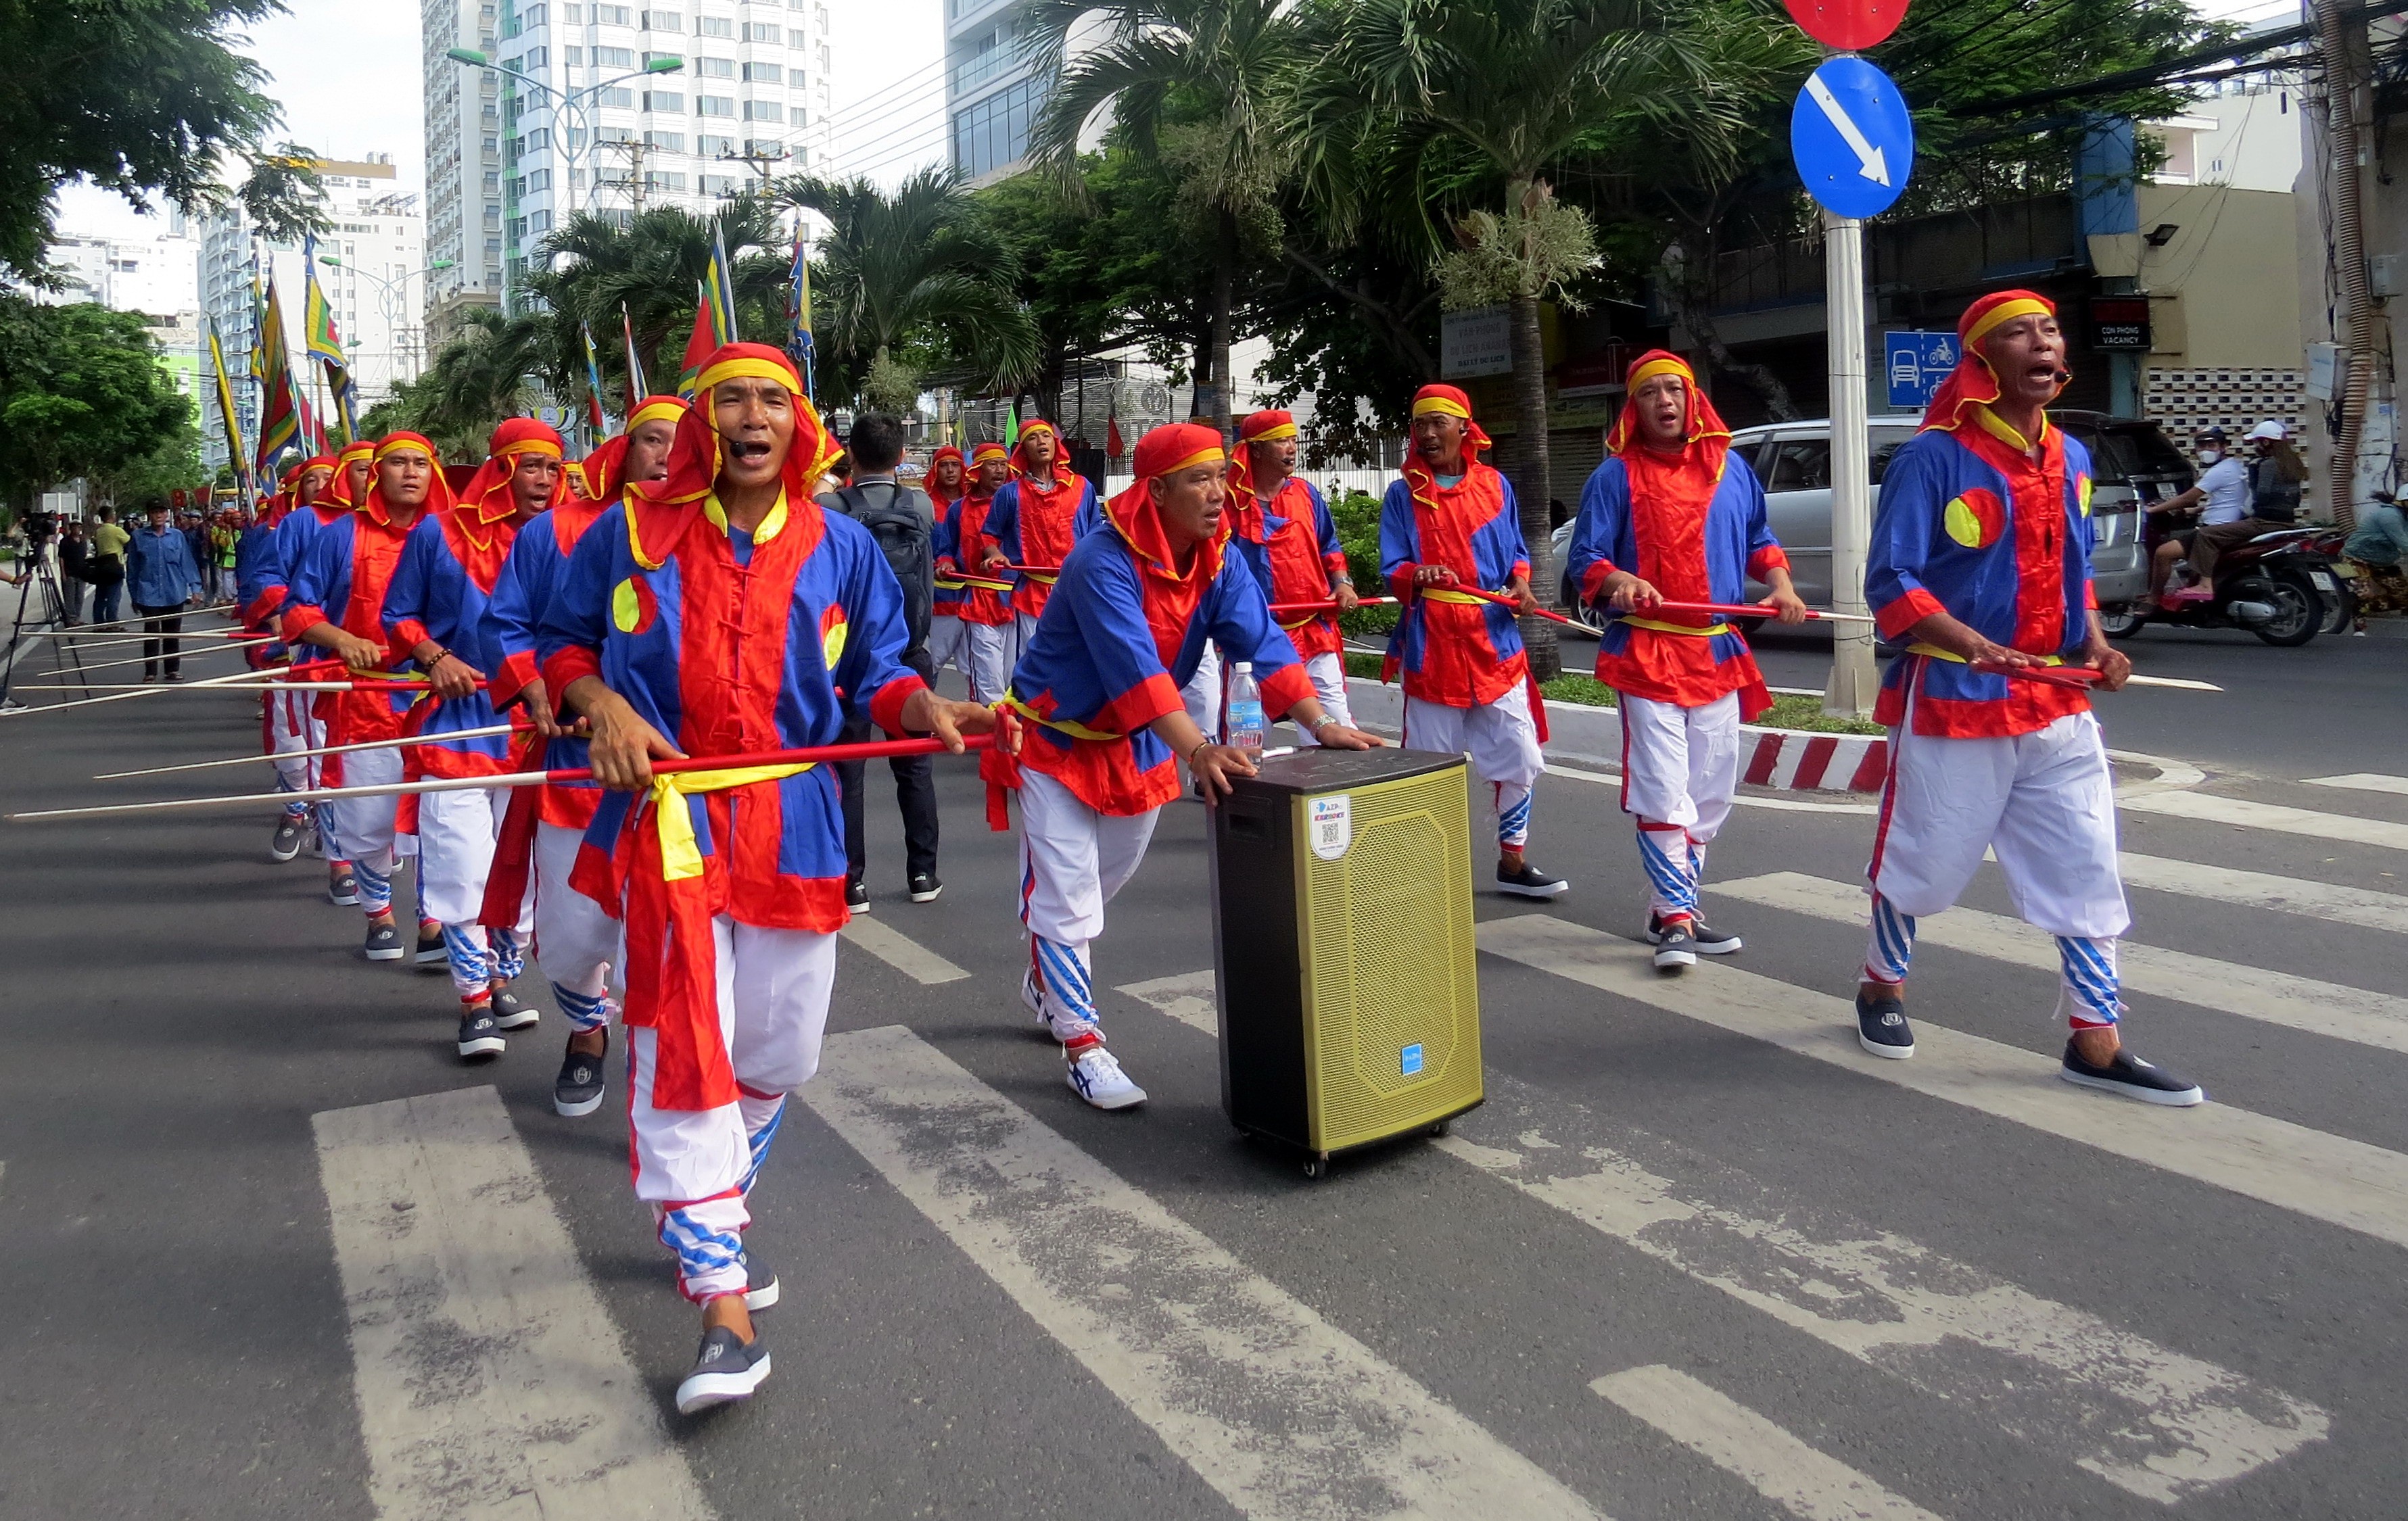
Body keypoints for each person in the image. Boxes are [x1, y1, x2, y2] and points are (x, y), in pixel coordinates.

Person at [537, 341, 999, 1414]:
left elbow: (878, 669)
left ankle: (709, 1218)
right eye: (731, 399)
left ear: (801, 426)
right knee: (682, 1047)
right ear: (705, 422)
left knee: (778, 1052)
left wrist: (919, 705)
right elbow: (561, 641)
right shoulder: (631, 531)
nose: (752, 416)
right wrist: (598, 703)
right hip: (674, 822)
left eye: (772, 401)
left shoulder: (841, 544)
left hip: (795, 817)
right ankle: (721, 1302)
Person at [1856, 288, 2201, 1105]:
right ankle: (1881, 986)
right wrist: (1968, 641)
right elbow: (1890, 578)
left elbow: (2074, 572)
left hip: (2055, 701)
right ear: (1982, 360)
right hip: (1954, 694)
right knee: (1927, 862)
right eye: (2019, 334)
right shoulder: (1931, 457)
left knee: (2084, 862)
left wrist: (2097, 644)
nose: (2042, 343)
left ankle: (2096, 1038)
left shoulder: (2072, 458)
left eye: (2049, 330)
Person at [987, 421, 1381, 1111]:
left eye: (1222, 480)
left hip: (1139, 742)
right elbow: (1136, 670)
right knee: (1069, 892)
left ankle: (1050, 970)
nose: (1219, 495)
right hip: (1057, 738)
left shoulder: (1217, 558)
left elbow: (1263, 641)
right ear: (1158, 489)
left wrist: (1323, 724)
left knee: (1099, 884)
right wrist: (1198, 749)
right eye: (1201, 480)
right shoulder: (1100, 561)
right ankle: (1083, 1044)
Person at [1565, 351, 1808, 969]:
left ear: (1692, 398)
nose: (1665, 402)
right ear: (1635, 407)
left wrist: (1780, 585)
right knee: (1662, 787)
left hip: (1717, 649)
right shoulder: (1613, 476)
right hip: (1647, 648)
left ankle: (1671, 904)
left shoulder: (1733, 470)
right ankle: (1674, 919)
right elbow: (1585, 559)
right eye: (1651, 394)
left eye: (1674, 390)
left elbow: (1759, 540)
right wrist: (1620, 579)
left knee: (1709, 791)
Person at [481, 395, 687, 1117]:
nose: (666, 454)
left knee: (668, 929)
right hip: (577, 766)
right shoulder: (553, 533)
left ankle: (657, 1062)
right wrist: (537, 689)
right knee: (572, 936)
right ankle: (585, 1025)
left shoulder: (708, 532)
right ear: (622, 451)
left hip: (672, 776)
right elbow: (507, 623)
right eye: (652, 441)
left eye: (680, 441)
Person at [383, 418, 567, 1059]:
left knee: (521, 873)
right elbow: (397, 615)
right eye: (529, 466)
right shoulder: (439, 533)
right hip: (459, 728)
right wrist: (435, 657)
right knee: (464, 869)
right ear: (501, 470)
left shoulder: (571, 541)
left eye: (551, 468)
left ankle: (499, 980)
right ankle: (473, 1003)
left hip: (537, 731)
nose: (542, 480)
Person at [1379, 383, 1567, 898]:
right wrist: (1418, 574)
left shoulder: (1494, 485)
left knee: (1521, 757)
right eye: (1419, 424)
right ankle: (1420, 875)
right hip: (1432, 647)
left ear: (1464, 428)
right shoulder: (1403, 495)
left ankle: (1513, 860)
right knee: (1426, 767)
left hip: (1495, 646)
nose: (1427, 433)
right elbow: (1391, 567)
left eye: (1438, 422)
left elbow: (1514, 554)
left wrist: (1522, 584)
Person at [283, 434, 449, 963]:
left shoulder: (452, 535)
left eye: (420, 463)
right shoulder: (341, 536)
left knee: (439, 819)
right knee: (371, 821)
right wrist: (343, 640)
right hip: (366, 701)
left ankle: (433, 922)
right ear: (377, 473)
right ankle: (378, 914)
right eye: (397, 463)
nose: (409, 473)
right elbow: (298, 611)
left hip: (438, 702)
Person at [818, 413, 943, 909]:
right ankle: (922, 874)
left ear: (851, 454)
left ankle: (853, 883)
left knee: (849, 774)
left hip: (847, 660)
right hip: (911, 654)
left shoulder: (830, 508)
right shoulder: (921, 505)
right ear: (900, 457)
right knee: (914, 770)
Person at [1225, 408, 1360, 742]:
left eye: (1293, 440)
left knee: (1336, 727)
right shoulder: (1228, 504)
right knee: (1245, 741)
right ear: (1255, 449)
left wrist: (1342, 583)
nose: (1291, 448)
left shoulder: (1306, 494)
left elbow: (1330, 545)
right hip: (1254, 641)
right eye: (1280, 441)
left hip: (1314, 632)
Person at [240, 456, 338, 865]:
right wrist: (286, 616)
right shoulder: (294, 526)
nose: (320, 485)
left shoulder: (386, 529)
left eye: (327, 478)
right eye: (311, 480)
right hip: (302, 651)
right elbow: (265, 577)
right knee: (295, 742)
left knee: (350, 753)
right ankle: (297, 809)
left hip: (365, 663)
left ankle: (345, 846)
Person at [981, 419, 1096, 660]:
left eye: (1046, 436)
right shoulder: (1009, 493)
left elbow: (1097, 534)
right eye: (1033, 438)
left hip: (1076, 589)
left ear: (1055, 444)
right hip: (1031, 593)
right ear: (1023, 450)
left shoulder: (1082, 487)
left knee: (1079, 661)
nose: (1041, 441)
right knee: (1035, 662)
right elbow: (989, 534)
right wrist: (994, 553)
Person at [935, 441, 1018, 702]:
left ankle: (1014, 734)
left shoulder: (1020, 503)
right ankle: (991, 735)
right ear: (977, 471)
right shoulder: (959, 509)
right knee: (987, 676)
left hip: (1019, 600)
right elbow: (946, 548)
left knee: (1014, 676)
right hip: (980, 600)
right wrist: (946, 563)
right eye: (993, 465)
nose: (999, 471)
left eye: (1003, 465)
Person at [2146, 428, 2245, 600]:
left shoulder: (2219, 472)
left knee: (2163, 553)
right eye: (2202, 445)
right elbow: (2228, 500)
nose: (2206, 450)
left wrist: (2152, 509)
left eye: (2211, 445)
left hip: (2214, 530)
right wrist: (2195, 510)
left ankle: (2153, 599)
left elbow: (2187, 498)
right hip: (2229, 524)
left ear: (2223, 447)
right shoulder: (2234, 466)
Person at [125, 501, 204, 682]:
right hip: (148, 593)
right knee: (151, 633)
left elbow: (187, 563)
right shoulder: (139, 536)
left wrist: (196, 588)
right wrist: (134, 595)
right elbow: (133, 569)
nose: (159, 515)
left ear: (167, 514)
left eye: (161, 512)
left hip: (174, 591)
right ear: (149, 515)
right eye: (154, 512)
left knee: (172, 633)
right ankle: (150, 671)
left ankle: (172, 670)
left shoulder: (177, 536)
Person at [922, 445, 970, 681]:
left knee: (979, 668)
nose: (950, 471)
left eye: (955, 465)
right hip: (938, 598)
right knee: (932, 664)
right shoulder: (924, 506)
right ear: (935, 470)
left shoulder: (974, 504)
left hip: (974, 598)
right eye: (943, 465)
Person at [87, 506, 128, 627]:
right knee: (113, 596)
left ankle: (98, 622)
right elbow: (128, 541)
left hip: (101, 565)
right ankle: (112, 622)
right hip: (115, 566)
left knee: (100, 596)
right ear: (111, 516)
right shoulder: (116, 530)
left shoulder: (99, 531)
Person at [54, 520, 87, 625]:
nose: (77, 529)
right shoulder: (65, 541)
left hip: (81, 573)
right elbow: (61, 558)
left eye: (78, 527)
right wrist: (63, 573)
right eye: (74, 527)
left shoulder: (83, 541)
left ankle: (77, 618)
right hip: (69, 573)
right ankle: (70, 619)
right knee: (70, 598)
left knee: (80, 597)